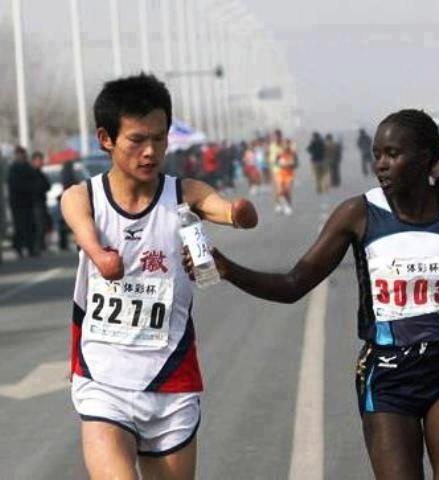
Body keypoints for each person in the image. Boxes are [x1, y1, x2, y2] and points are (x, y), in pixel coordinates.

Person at [183, 109, 439, 479]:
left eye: (393, 154)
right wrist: (228, 269)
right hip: (387, 378)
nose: (381, 164)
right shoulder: (358, 214)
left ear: (426, 156)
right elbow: (293, 285)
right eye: (377, 155)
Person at [61, 73, 258, 480]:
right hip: (103, 378)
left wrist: (238, 213)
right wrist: (99, 255)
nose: (150, 151)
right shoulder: (86, 197)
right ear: (106, 139)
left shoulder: (185, 194)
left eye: (159, 139)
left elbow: (227, 210)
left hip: (171, 377)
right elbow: (80, 224)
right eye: (137, 140)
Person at [7, 145, 37, 257]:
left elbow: (35, 181)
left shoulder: (28, 167)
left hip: (28, 202)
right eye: (20, 155)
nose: (22, 157)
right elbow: (15, 185)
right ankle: (19, 249)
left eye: (23, 155)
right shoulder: (13, 168)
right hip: (17, 203)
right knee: (19, 227)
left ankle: (30, 249)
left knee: (30, 226)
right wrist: (28, 187)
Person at [30, 151, 51, 254]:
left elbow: (47, 185)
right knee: (39, 226)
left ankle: (41, 246)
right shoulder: (31, 173)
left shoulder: (40, 173)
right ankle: (36, 247)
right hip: (35, 203)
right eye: (39, 160)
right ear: (34, 161)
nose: (41, 162)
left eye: (41, 160)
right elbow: (36, 188)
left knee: (43, 225)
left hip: (41, 202)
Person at [274, 139, 298, 215]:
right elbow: (276, 162)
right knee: (280, 191)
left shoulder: (293, 153)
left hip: (289, 175)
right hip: (280, 174)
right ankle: (278, 204)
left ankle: (288, 206)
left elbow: (296, 164)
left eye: (287, 144)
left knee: (287, 190)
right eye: (284, 144)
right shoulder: (279, 153)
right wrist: (281, 163)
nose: (286, 146)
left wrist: (291, 164)